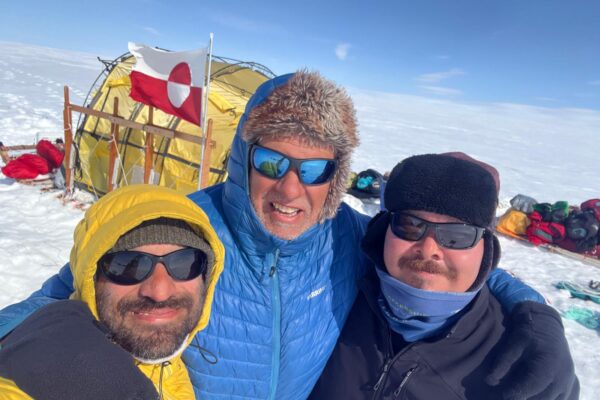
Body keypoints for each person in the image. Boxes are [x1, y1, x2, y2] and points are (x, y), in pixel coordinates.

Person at [0, 71, 570, 399]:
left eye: (316, 169)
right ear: (243, 158)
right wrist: (38, 349)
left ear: (336, 179)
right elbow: (61, 295)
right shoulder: (184, 229)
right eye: (272, 162)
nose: (291, 190)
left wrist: (534, 315)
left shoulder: (347, 236)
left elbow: (443, 256)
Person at [310, 153, 579, 399]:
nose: (429, 249)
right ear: (382, 231)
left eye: (457, 235)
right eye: (410, 225)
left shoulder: (517, 361)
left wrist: (539, 316)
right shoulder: (340, 286)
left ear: (486, 249)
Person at [0, 184, 225, 399]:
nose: (160, 291)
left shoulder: (178, 367)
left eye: (186, 263)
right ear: (91, 278)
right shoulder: (36, 376)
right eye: (129, 266)